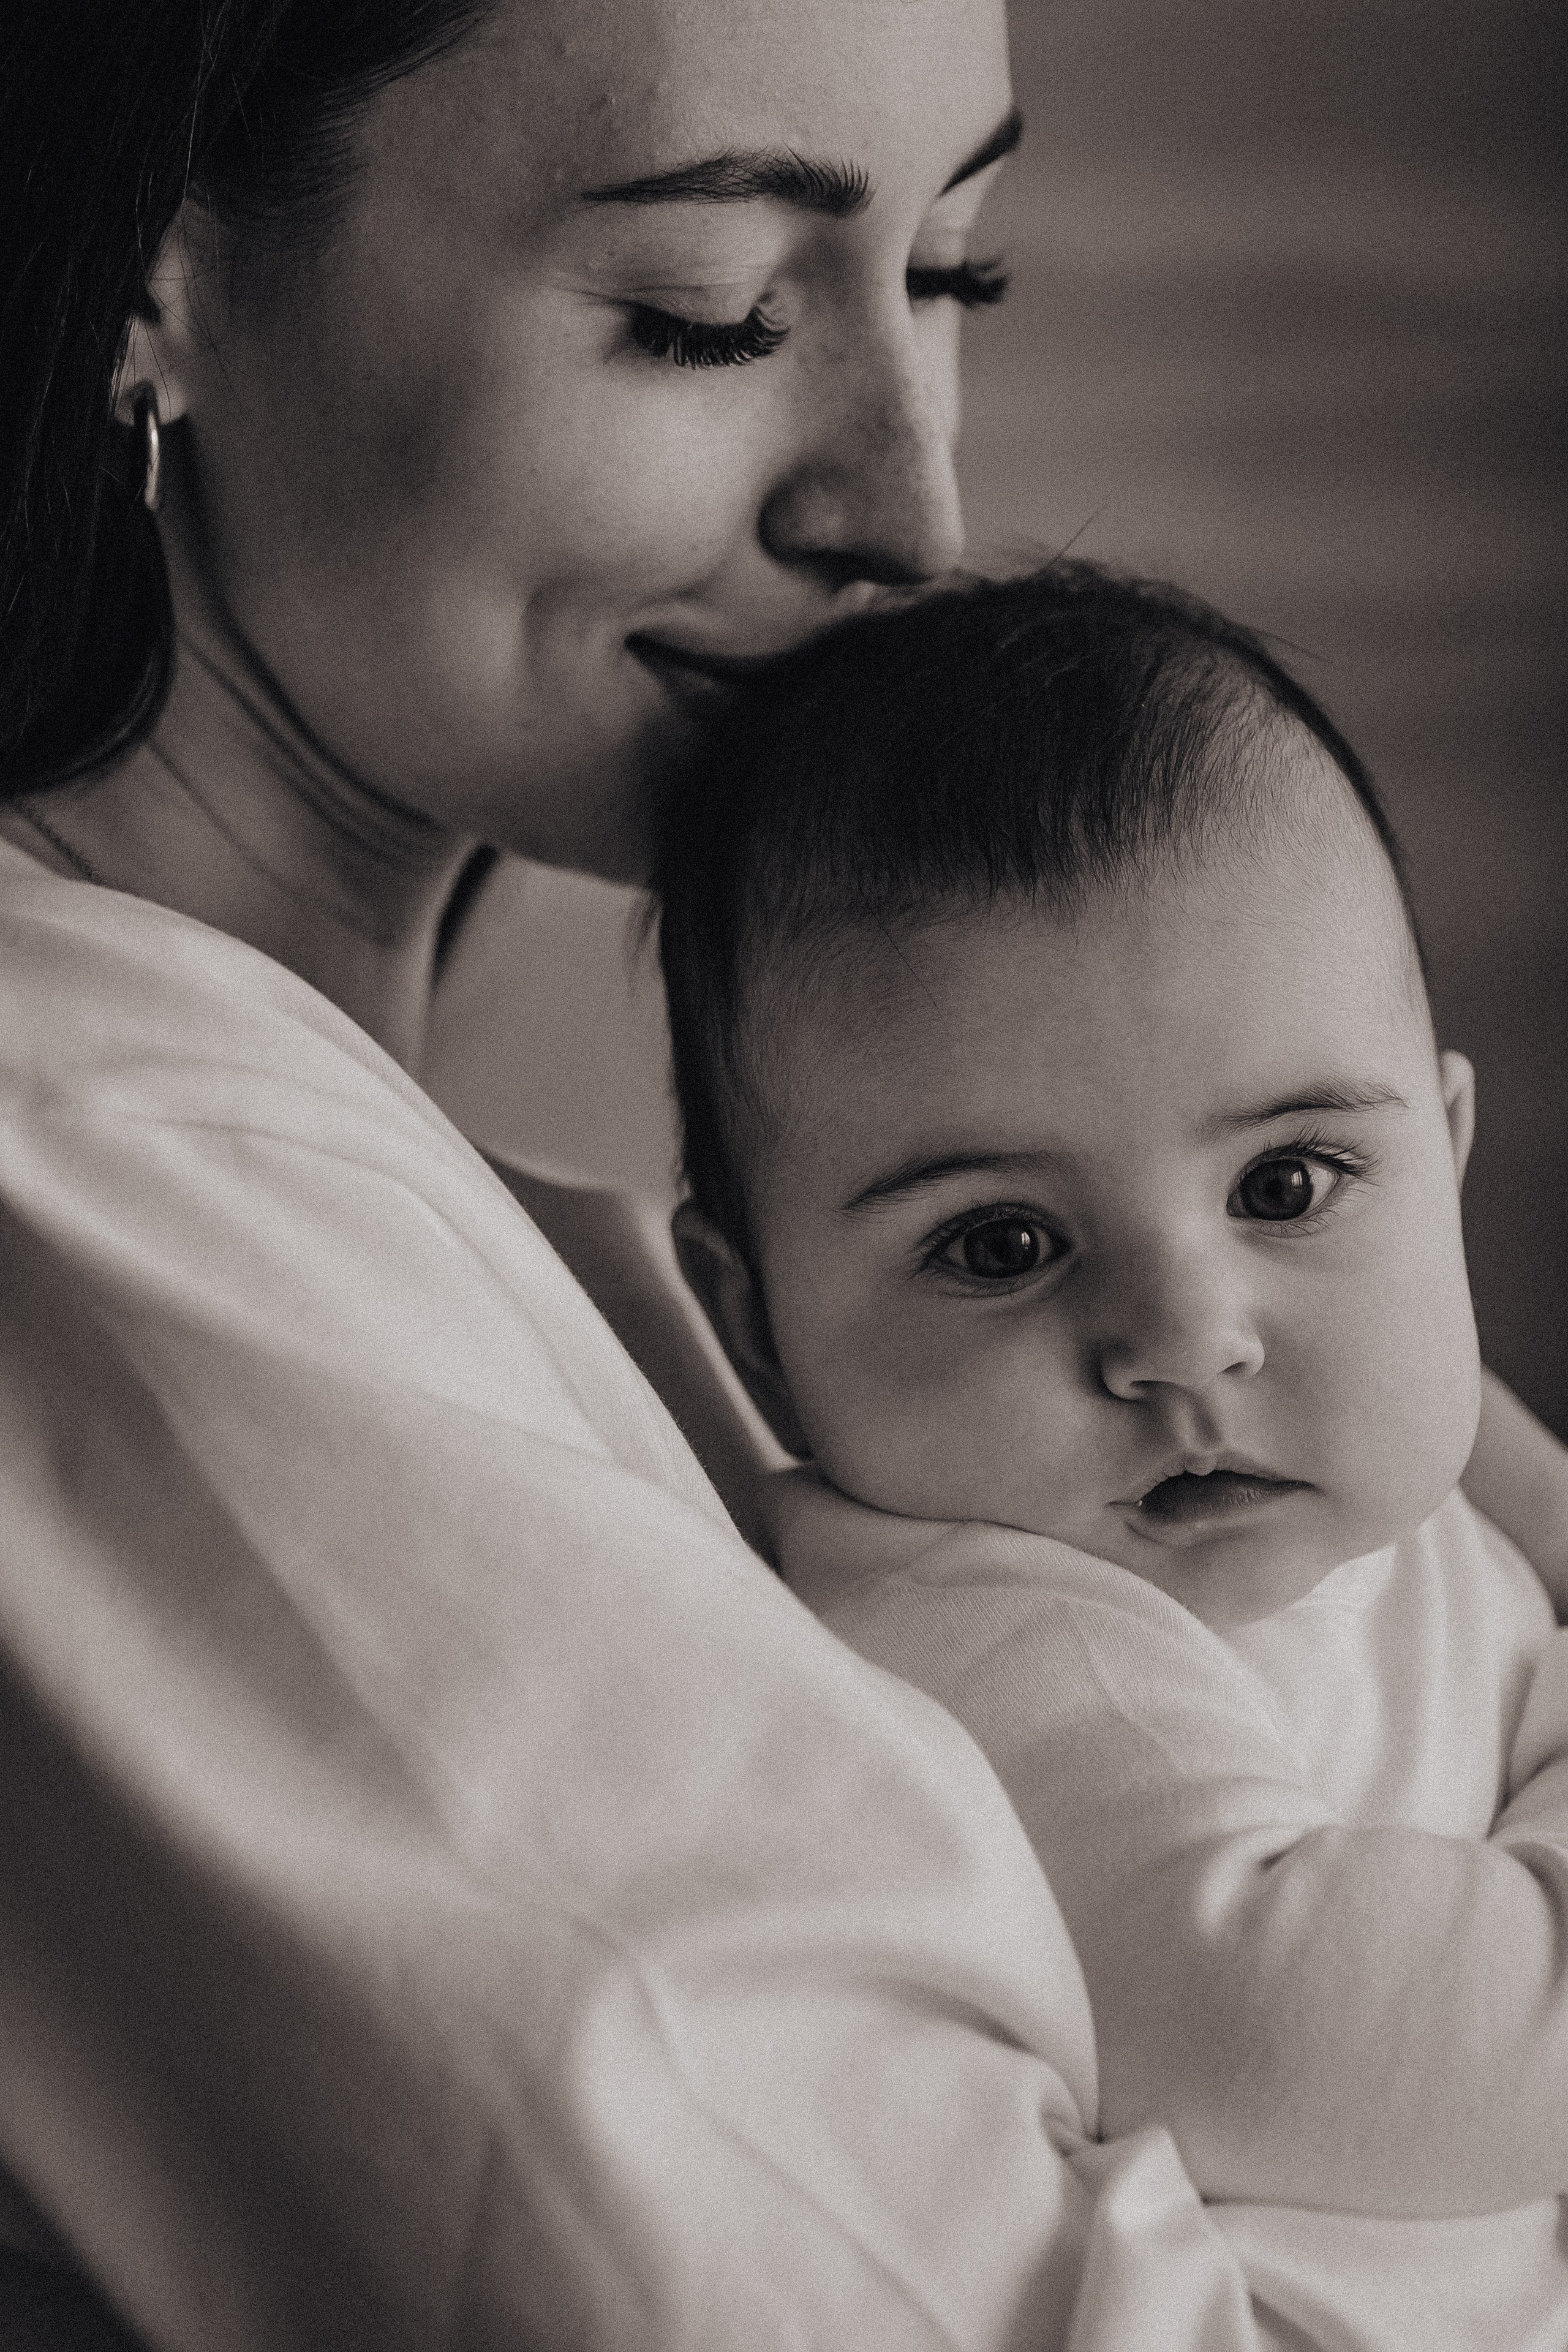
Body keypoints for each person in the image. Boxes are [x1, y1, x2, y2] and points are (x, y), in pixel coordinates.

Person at [0, 4, 1562, 2346]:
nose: (909, 517)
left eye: (954, 277)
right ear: (154, 276)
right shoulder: (110, 1188)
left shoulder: (550, 1256)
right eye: (709, 309)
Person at [656, 562, 1568, 2348]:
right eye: (999, 1246)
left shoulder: (1395, 1528)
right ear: (756, 1322)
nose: (1183, 1334)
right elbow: (1294, 2029)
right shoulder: (991, 1625)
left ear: (1444, 1160)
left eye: (1288, 1185)